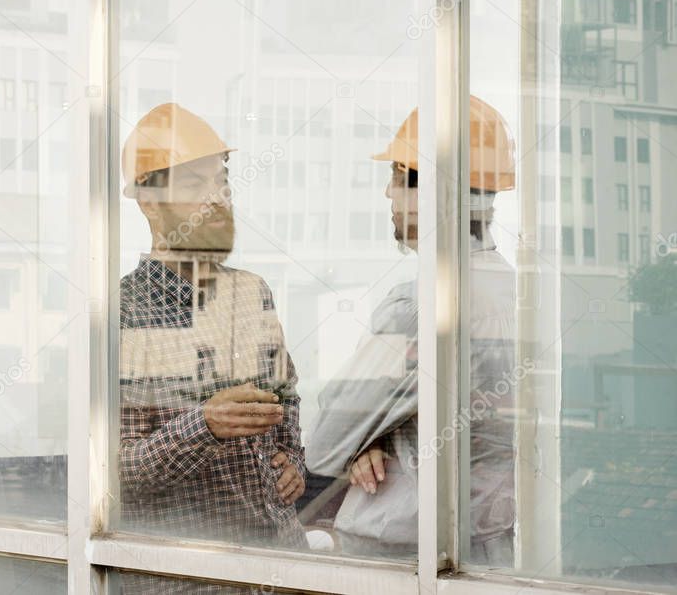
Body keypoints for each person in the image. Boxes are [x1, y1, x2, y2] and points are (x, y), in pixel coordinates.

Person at [305, 96, 517, 565]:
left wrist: (360, 439)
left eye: (397, 179)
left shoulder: (416, 304)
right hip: (489, 545)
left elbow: (327, 442)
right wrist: (374, 435)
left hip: (402, 551)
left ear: (431, 190)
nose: (387, 194)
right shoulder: (513, 290)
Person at [118, 103, 308, 562]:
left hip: (281, 564)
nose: (216, 196)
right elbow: (115, 472)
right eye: (192, 183)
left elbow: (287, 402)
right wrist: (204, 425)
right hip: (194, 577)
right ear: (148, 200)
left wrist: (293, 463)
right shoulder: (123, 310)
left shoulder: (251, 292)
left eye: (219, 179)